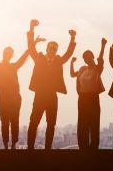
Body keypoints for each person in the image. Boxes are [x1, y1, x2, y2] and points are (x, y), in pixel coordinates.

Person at [26, 19, 77, 150]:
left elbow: (68, 53)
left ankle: (48, 148)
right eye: (51, 47)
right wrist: (31, 29)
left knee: (51, 123)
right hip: (40, 94)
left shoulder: (59, 61)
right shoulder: (39, 58)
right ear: (47, 48)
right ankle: (30, 148)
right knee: (34, 122)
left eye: (55, 48)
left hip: (52, 96)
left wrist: (72, 38)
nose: (53, 50)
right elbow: (31, 48)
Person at [0, 34, 30, 149]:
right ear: (4, 54)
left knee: (15, 120)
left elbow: (24, 56)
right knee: (4, 121)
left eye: (10, 54)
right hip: (3, 97)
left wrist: (33, 44)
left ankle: (14, 144)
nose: (8, 55)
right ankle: (6, 144)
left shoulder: (14, 66)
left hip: (15, 97)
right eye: (6, 53)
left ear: (11, 56)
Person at [70, 37, 107, 150]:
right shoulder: (82, 69)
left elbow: (101, 59)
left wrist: (103, 46)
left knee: (94, 122)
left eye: (88, 57)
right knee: (82, 123)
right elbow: (72, 74)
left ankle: (94, 147)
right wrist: (71, 63)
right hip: (82, 98)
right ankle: (83, 146)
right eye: (85, 58)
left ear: (92, 57)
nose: (87, 60)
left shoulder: (97, 68)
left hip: (93, 97)